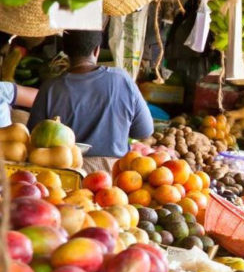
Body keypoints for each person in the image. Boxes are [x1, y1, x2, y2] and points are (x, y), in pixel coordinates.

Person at [28, 30, 153, 173]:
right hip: (115, 180)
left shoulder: (49, 88)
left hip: (64, 177)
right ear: (97, 50)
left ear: (65, 51)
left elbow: (34, 139)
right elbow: (144, 131)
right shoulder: (122, 79)